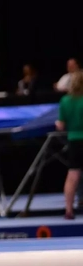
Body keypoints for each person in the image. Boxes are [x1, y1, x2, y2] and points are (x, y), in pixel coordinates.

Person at [57, 72, 83, 219]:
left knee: (73, 175)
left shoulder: (65, 101)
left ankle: (69, 210)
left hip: (74, 140)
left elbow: (60, 126)